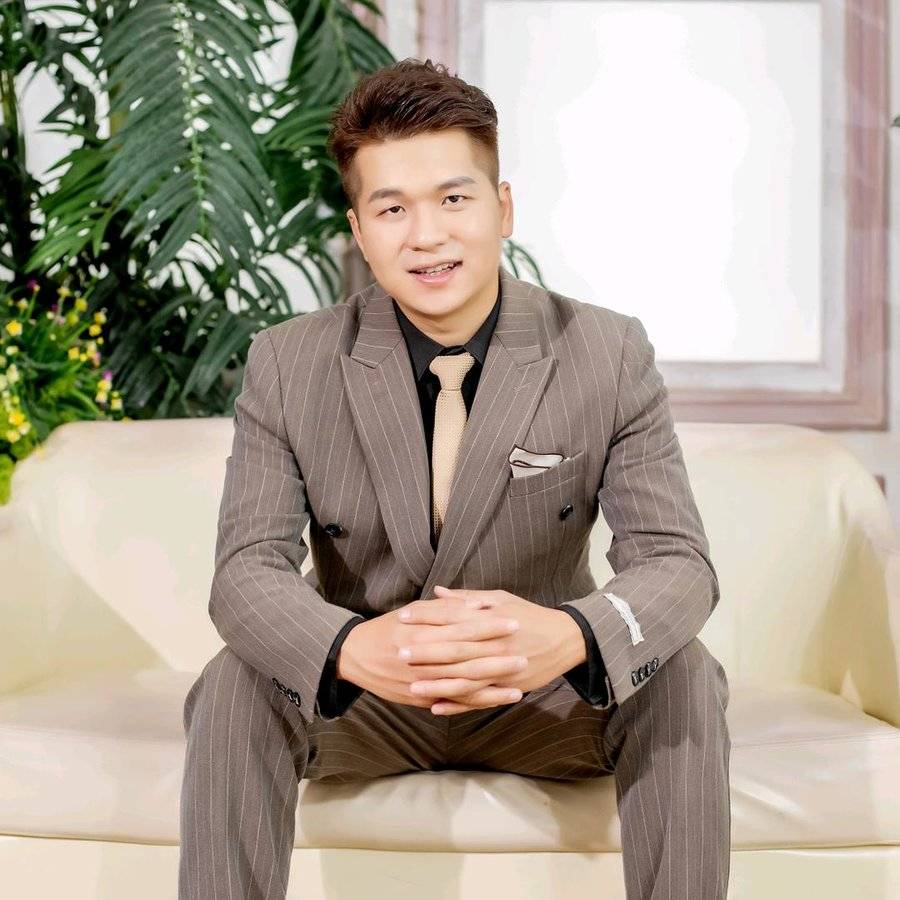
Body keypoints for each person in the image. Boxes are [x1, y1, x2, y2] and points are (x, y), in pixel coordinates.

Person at [179, 57, 731, 900]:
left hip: (547, 695)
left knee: (684, 672)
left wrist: (572, 637)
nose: (426, 235)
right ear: (359, 229)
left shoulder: (607, 351)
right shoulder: (288, 362)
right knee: (232, 680)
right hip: (367, 695)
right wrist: (348, 648)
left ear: (502, 208)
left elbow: (677, 562)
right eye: (391, 209)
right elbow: (245, 572)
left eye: (452, 199)